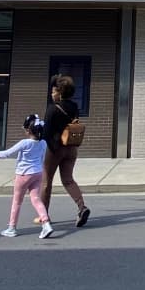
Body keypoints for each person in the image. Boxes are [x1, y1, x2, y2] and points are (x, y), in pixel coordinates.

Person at [0, 112, 55, 239]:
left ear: (28, 130)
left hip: (23, 174)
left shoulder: (24, 143)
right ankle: (46, 223)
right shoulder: (43, 143)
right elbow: (42, 158)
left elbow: (7, 153)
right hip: (37, 173)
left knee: (17, 201)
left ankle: (12, 228)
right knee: (36, 199)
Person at [41, 74, 91, 227]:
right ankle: (82, 207)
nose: (52, 93)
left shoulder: (52, 109)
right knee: (68, 179)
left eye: (54, 91)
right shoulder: (74, 107)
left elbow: (46, 133)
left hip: (55, 149)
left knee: (46, 182)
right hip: (71, 147)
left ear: (60, 92)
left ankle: (44, 216)